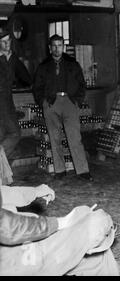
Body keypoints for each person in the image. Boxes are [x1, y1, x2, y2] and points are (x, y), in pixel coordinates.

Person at [0, 174, 120, 276]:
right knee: (94, 225)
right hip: (12, 255)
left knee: (93, 257)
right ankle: (106, 227)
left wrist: (33, 192)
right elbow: (8, 227)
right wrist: (58, 223)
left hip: (20, 233)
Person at [33, 34, 92, 181]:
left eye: (60, 45)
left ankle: (83, 171)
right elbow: (37, 88)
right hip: (52, 103)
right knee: (54, 138)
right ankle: (59, 170)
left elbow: (82, 85)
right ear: (49, 48)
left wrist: (76, 102)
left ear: (64, 47)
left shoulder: (73, 64)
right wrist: (44, 103)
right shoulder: (43, 66)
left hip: (69, 102)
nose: (57, 49)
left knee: (75, 138)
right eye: (54, 46)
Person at [0, 29, 21, 161]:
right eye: (3, 42)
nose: (7, 45)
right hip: (2, 104)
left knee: (4, 135)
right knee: (15, 133)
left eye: (9, 41)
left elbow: (26, 77)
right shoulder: (4, 59)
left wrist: (11, 60)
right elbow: (4, 81)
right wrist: (7, 59)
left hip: (7, 103)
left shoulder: (10, 58)